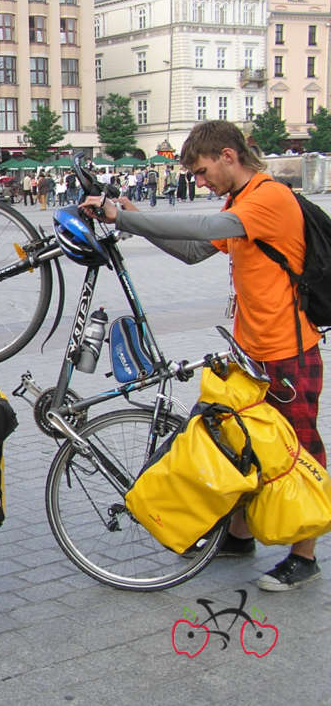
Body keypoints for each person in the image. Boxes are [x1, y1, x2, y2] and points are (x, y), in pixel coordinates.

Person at [82, 119, 325, 592]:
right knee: (236, 444)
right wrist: (135, 218)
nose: (199, 181)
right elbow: (194, 251)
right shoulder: (240, 200)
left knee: (296, 452)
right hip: (250, 352)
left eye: (201, 170)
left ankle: (305, 554)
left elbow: (208, 226)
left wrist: (122, 216)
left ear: (228, 156)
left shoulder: (269, 198)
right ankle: (239, 536)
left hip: (288, 352)